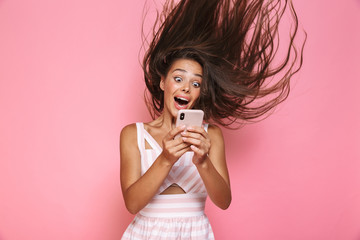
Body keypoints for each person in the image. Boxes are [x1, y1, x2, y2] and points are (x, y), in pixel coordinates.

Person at [120, 0, 305, 239]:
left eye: (195, 83)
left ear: (200, 92)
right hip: (147, 233)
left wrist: (203, 161)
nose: (186, 88)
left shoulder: (211, 135)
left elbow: (224, 201)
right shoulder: (133, 134)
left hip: (195, 232)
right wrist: (166, 158)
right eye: (178, 79)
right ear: (163, 83)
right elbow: (132, 204)